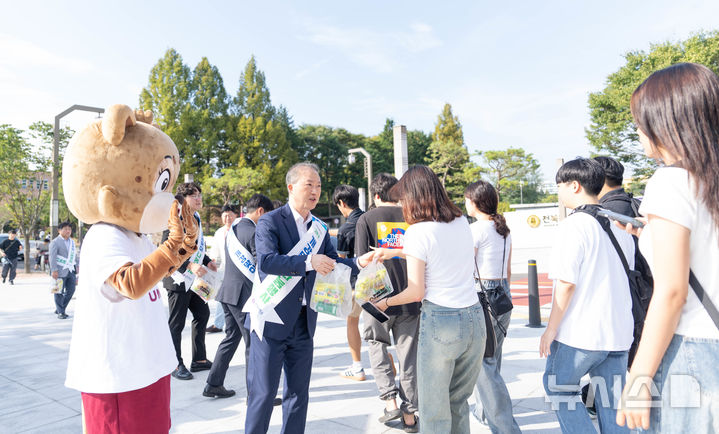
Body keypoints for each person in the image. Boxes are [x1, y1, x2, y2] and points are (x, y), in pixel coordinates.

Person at [617, 63, 719, 432]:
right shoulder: (708, 179)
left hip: (693, 352)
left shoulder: (671, 182)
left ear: (668, 122)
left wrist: (640, 376)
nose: (640, 133)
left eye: (642, 124)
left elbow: (673, 292)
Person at [244, 162, 374, 434]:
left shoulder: (319, 228)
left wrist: (361, 262)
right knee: (264, 395)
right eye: (309, 185)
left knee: (298, 395)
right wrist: (308, 261)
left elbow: (334, 263)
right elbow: (266, 262)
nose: (315, 191)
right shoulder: (270, 220)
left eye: (318, 186)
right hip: (271, 319)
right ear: (291, 187)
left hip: (304, 322)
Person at [372, 165, 485, 434]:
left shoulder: (418, 232)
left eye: (403, 199)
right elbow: (442, 252)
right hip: (474, 318)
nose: (402, 205)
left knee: (433, 411)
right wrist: (396, 253)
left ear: (414, 197)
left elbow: (415, 292)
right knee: (457, 402)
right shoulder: (460, 222)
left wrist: (384, 303)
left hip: (442, 322)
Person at [540, 158, 634, 434]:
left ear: (574, 186)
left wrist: (551, 329)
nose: (558, 191)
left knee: (558, 387)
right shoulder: (618, 225)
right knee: (611, 403)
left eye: (559, 185)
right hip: (617, 333)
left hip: (581, 334)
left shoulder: (574, 225)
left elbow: (566, 283)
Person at [355, 173, 420, 432]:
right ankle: (410, 415)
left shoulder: (366, 219)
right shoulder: (412, 217)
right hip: (410, 296)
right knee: (409, 357)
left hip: (376, 299)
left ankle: (391, 403)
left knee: (376, 345)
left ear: (376, 196)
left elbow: (361, 260)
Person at [204, 194, 281, 406]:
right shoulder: (254, 231)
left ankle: (213, 383)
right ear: (261, 212)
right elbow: (262, 264)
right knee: (253, 344)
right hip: (243, 297)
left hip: (228, 294)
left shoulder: (235, 229)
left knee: (230, 338)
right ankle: (255, 395)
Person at [464, 180, 521, 433]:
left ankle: (505, 425)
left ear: (475, 202)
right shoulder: (503, 229)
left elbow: (466, 266)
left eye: (467, 199)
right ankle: (485, 411)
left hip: (482, 293)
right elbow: (507, 269)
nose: (465, 203)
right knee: (493, 356)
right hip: (502, 294)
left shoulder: (476, 230)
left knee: (483, 362)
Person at [162, 182, 217, 380]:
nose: (198, 198)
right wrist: (189, 266)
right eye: (193, 195)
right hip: (178, 279)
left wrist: (207, 261)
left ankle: (199, 359)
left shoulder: (196, 217)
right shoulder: (175, 219)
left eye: (199, 194)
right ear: (183, 200)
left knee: (203, 313)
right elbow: (167, 250)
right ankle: (175, 364)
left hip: (194, 281)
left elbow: (195, 249)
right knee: (176, 323)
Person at [332, 184, 366, 381]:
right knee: (377, 326)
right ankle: (385, 360)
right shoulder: (370, 219)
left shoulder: (346, 228)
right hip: (379, 283)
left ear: (342, 203)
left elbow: (342, 260)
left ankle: (357, 367)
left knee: (352, 322)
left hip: (357, 284)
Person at [206, 205, 239, 334]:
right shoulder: (219, 232)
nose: (227, 218)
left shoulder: (240, 230)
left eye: (230, 215)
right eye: (225, 215)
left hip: (239, 269)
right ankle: (218, 324)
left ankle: (237, 323)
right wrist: (213, 261)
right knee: (221, 296)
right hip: (223, 269)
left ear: (235, 216)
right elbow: (216, 251)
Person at [50, 223, 78, 319]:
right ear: (59, 230)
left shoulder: (72, 242)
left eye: (69, 229)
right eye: (65, 229)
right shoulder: (55, 242)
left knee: (71, 290)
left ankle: (60, 308)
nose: (68, 231)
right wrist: (54, 270)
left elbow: (75, 256)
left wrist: (77, 266)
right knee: (58, 291)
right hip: (59, 270)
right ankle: (61, 312)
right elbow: (52, 257)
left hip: (71, 270)